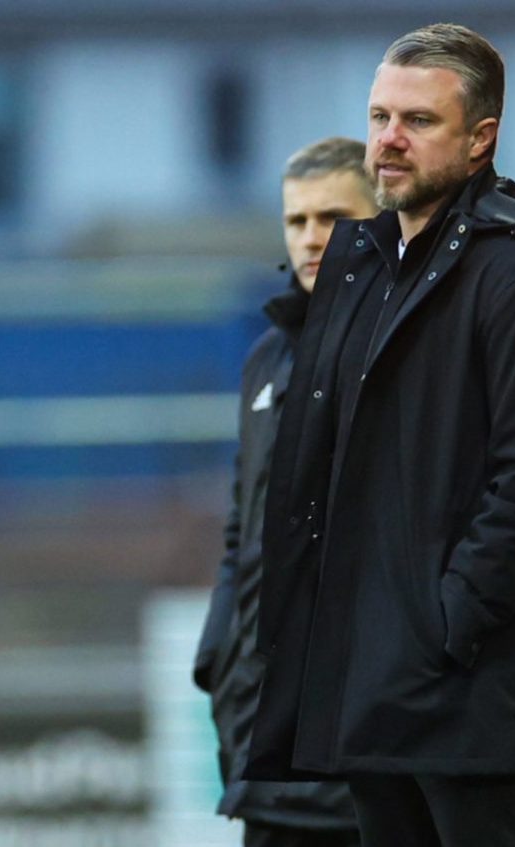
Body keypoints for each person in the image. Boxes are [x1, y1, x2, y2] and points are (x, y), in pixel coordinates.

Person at [244, 23, 515, 847]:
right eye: (377, 117)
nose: (388, 141)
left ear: (481, 138)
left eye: (417, 121)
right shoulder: (363, 261)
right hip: (372, 683)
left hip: (468, 685)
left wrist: (447, 623)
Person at [192, 137, 378, 847]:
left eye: (332, 217)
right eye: (296, 220)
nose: (309, 238)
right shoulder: (266, 357)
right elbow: (244, 526)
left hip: (368, 749)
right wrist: (221, 656)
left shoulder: (409, 344)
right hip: (266, 745)